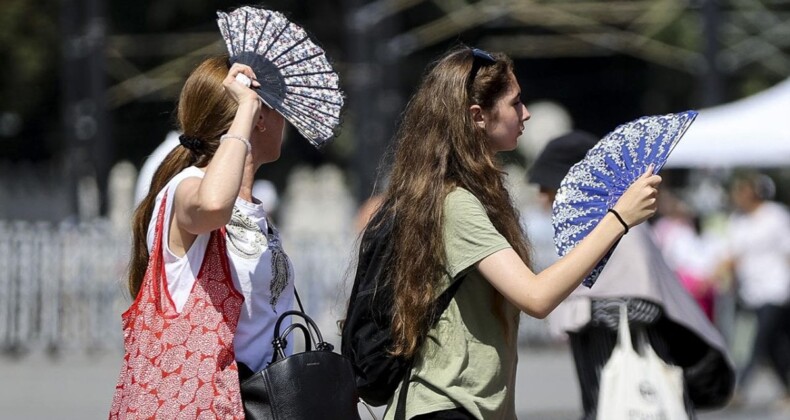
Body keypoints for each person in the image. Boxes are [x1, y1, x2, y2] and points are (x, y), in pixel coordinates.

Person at [364, 46, 662, 420]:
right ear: (478, 116)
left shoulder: (465, 196)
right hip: (446, 407)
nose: (526, 113)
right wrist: (618, 219)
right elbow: (536, 297)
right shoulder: (456, 204)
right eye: (515, 103)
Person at [109, 56, 294, 418]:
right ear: (256, 117)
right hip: (194, 404)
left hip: (250, 402)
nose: (284, 119)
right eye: (277, 107)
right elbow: (213, 204)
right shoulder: (186, 188)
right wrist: (246, 109)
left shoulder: (256, 211)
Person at [529, 130, 735, 419]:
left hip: (639, 390)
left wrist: (576, 306)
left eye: (547, 186)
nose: (541, 197)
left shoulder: (623, 227)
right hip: (607, 389)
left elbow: (645, 307)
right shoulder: (591, 230)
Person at [723, 172, 790, 406]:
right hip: (751, 291)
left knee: (758, 340)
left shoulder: (776, 216)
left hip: (775, 288)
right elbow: (734, 256)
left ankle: (739, 389)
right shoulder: (737, 221)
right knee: (774, 346)